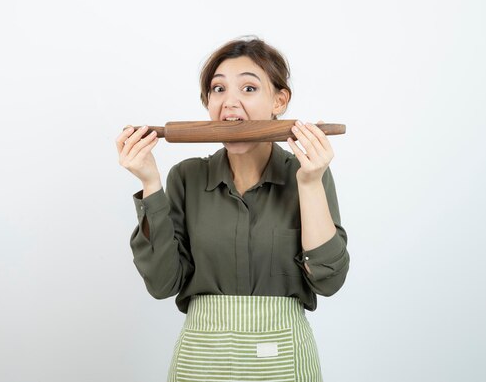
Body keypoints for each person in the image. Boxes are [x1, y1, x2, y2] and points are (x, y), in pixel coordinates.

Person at [115, 37, 350, 382]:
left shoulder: (306, 173)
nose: (230, 103)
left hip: (283, 360)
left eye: (249, 88)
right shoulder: (187, 177)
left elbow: (328, 281)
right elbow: (163, 284)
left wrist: (311, 183)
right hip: (201, 363)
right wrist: (151, 184)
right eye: (218, 89)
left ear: (279, 100)